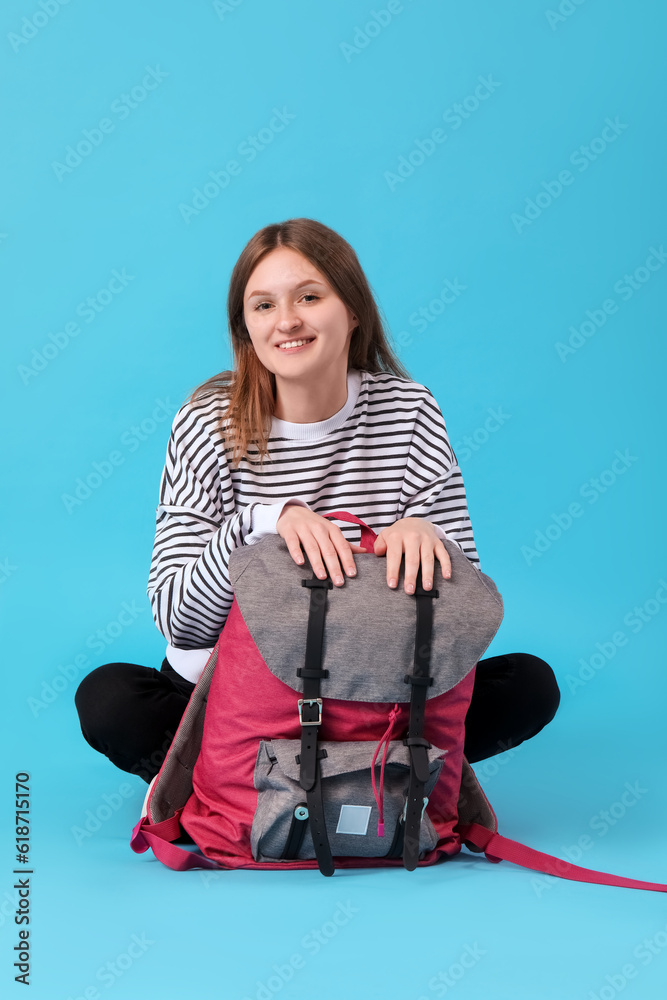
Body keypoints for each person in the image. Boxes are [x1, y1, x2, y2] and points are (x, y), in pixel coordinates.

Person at [75, 217, 560, 784]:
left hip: (373, 692)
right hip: (234, 695)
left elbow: (463, 623)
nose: (287, 321)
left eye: (309, 296)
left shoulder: (409, 411)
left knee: (528, 683)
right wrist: (260, 524)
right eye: (263, 306)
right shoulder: (207, 419)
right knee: (109, 698)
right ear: (245, 328)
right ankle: (343, 786)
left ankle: (273, 789)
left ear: (352, 310)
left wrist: (434, 543)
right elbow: (180, 623)